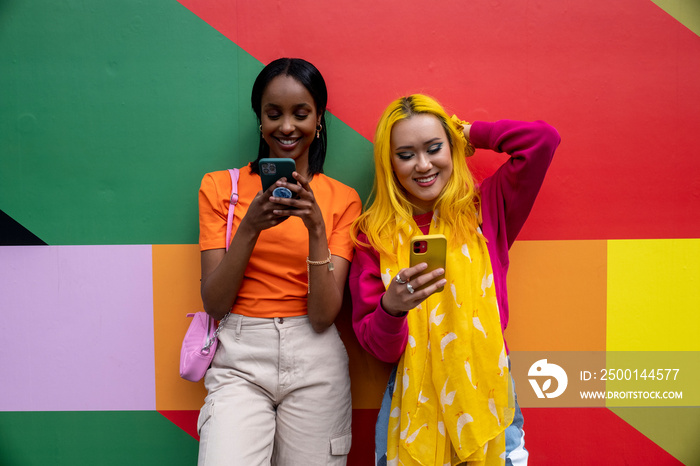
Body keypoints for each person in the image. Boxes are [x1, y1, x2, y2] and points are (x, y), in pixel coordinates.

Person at [349, 94, 560, 465]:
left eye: (434, 148)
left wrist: (469, 132)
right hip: (411, 399)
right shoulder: (371, 238)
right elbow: (379, 348)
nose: (423, 165)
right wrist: (392, 308)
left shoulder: (487, 209)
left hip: (489, 394)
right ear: (389, 163)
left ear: (452, 147)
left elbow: (541, 141)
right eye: (406, 154)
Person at [197, 58, 361, 465]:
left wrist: (316, 230)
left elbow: (324, 316)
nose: (287, 127)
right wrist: (250, 227)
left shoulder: (343, 199)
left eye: (300, 114)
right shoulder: (220, 188)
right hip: (239, 357)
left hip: (315, 357)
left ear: (319, 119)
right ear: (259, 120)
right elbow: (215, 304)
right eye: (274, 114)